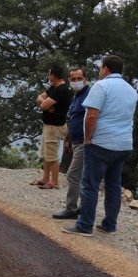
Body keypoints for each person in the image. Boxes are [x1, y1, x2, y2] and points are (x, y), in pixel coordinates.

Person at [63, 55, 138, 236]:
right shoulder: (131, 90)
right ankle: (109, 224)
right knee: (113, 185)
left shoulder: (101, 86)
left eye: (100, 68)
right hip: (124, 144)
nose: (99, 71)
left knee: (90, 185)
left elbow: (91, 116)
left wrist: (87, 139)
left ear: (105, 68)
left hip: (101, 143)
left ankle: (84, 225)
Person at [52, 67, 90, 219]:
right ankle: (81, 207)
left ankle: (71, 208)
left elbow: (92, 118)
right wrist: (67, 139)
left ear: (85, 79)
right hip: (75, 140)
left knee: (73, 175)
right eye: (73, 79)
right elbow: (73, 119)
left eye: (79, 78)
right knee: (80, 175)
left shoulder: (89, 95)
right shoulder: (76, 96)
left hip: (84, 141)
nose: (76, 82)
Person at [32, 65, 73, 189]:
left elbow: (43, 106)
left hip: (55, 127)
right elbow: (40, 98)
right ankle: (45, 178)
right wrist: (43, 102)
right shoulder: (54, 88)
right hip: (48, 125)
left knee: (52, 155)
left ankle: (54, 181)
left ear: (53, 76)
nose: (48, 76)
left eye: (49, 74)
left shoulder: (62, 90)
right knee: (46, 153)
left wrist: (44, 104)